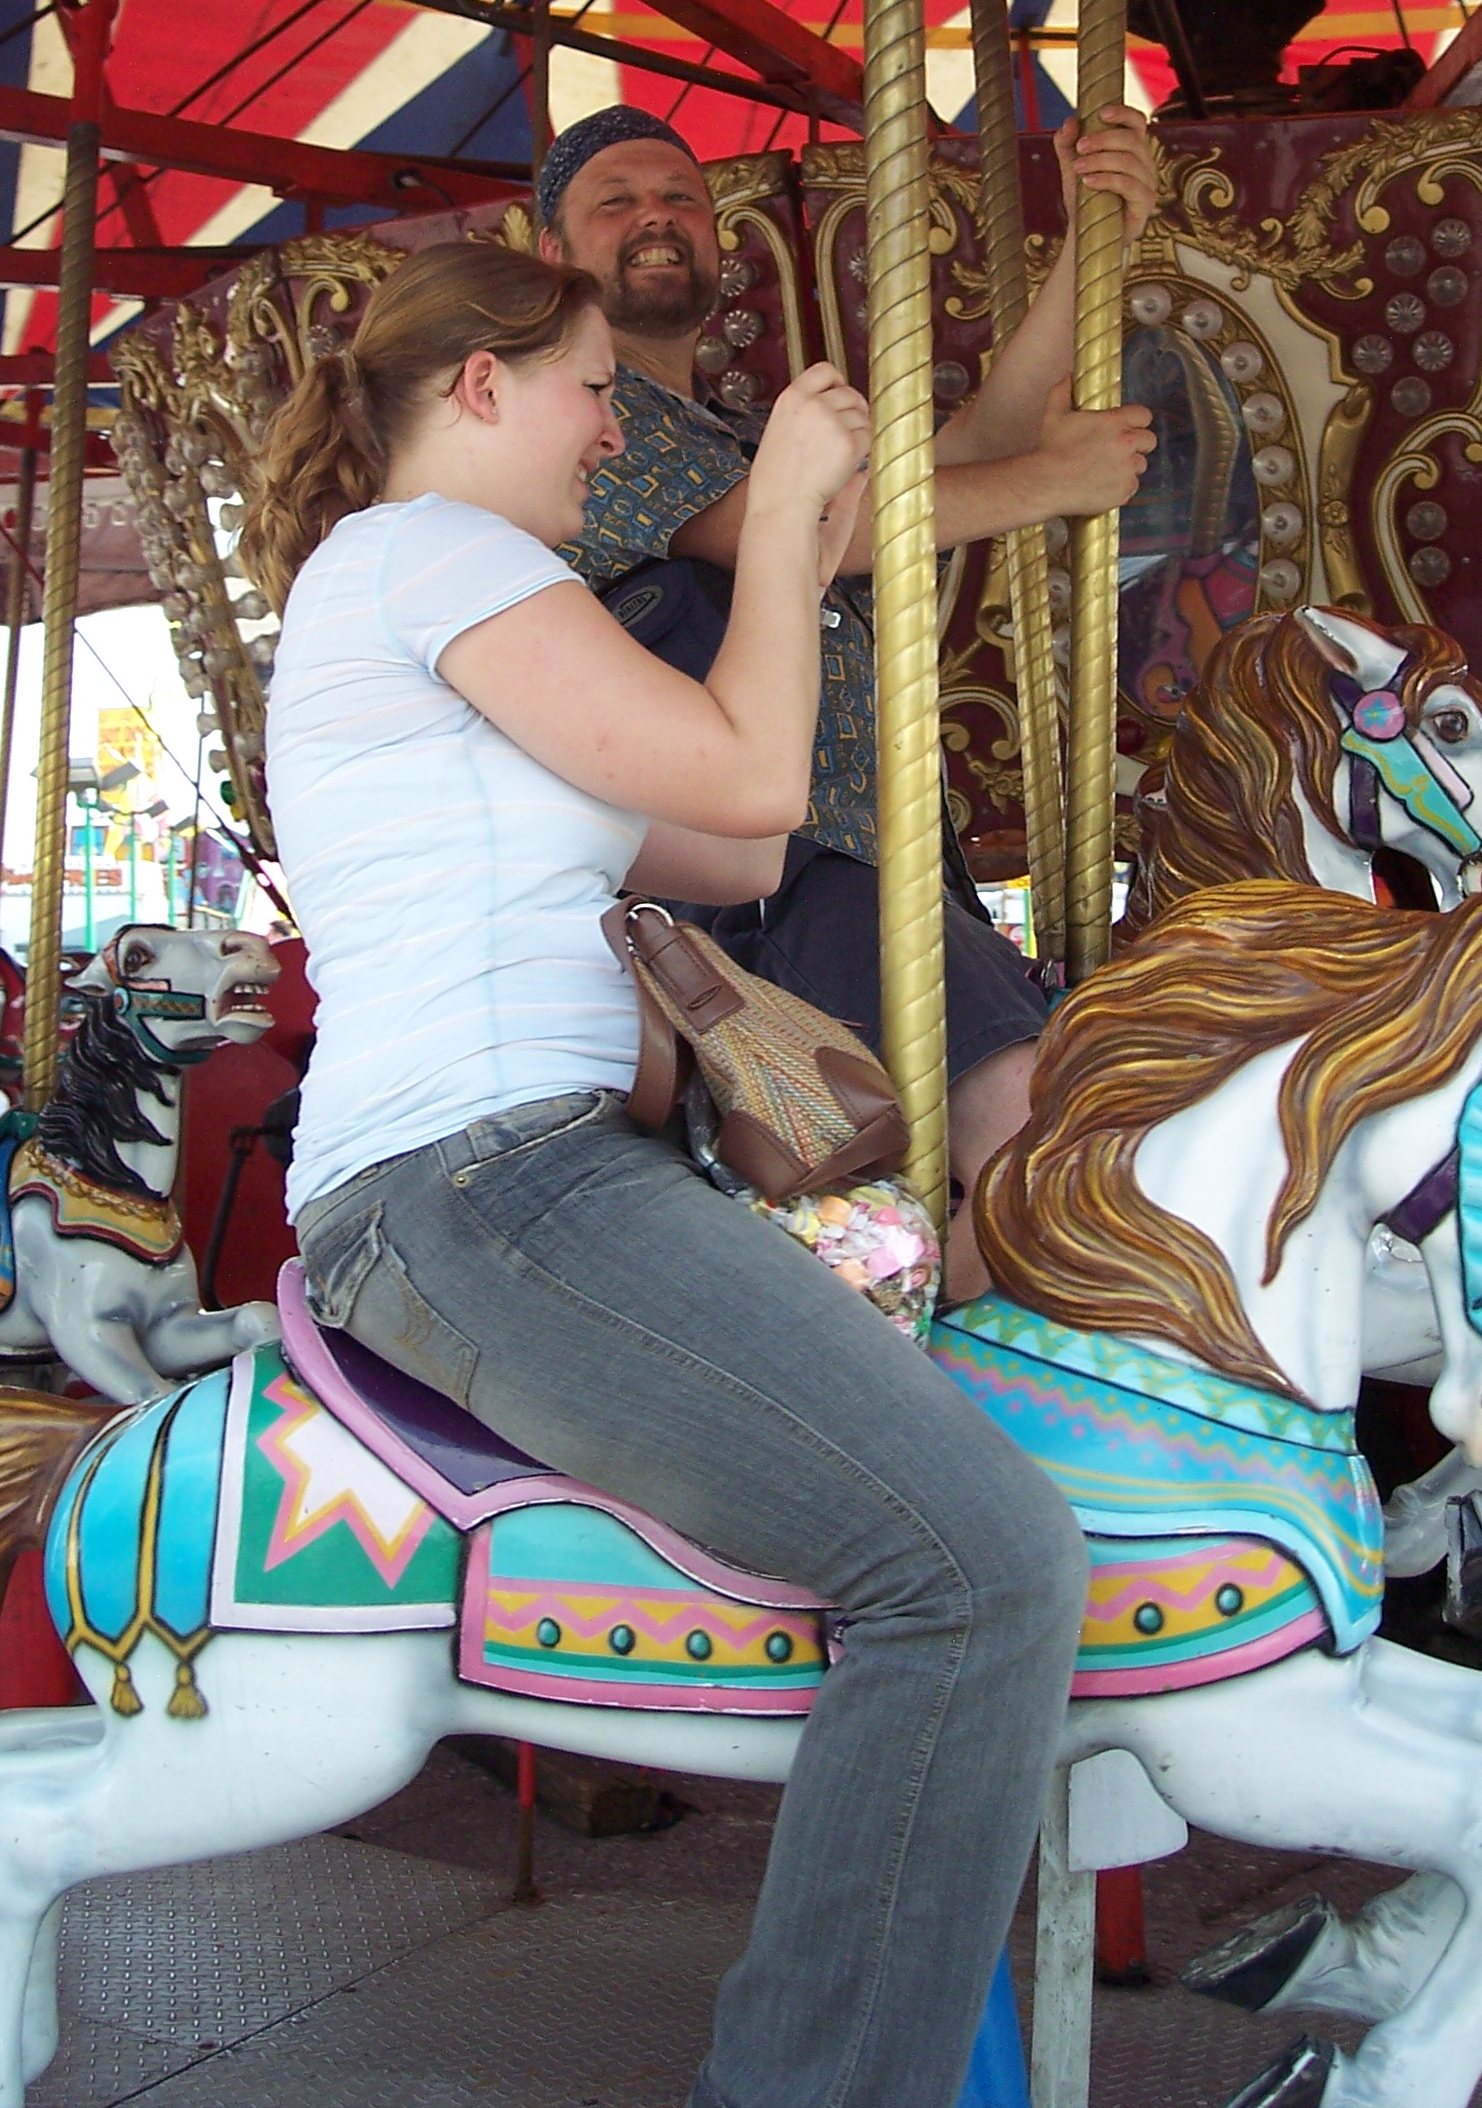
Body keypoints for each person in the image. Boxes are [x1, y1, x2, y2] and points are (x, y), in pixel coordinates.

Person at [240, 241, 1085, 2108]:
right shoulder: (435, 553)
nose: (612, 431)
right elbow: (759, 776)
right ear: (479, 388)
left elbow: (726, 846)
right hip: (484, 1179)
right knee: (980, 1561)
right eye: (590, 389)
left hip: (504, 1173)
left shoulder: (453, 615)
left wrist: (823, 542)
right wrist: (776, 518)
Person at [537, 103, 1158, 1297]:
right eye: (615, 201)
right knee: (1038, 1150)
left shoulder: (719, 428)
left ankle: (909, 1327)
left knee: (1039, 1157)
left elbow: (961, 450)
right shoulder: (595, 429)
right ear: (553, 252)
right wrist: (1052, 483)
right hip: (770, 884)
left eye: (677, 198)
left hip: (858, 863)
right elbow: (817, 529)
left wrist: (1094, 241)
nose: (655, 216)